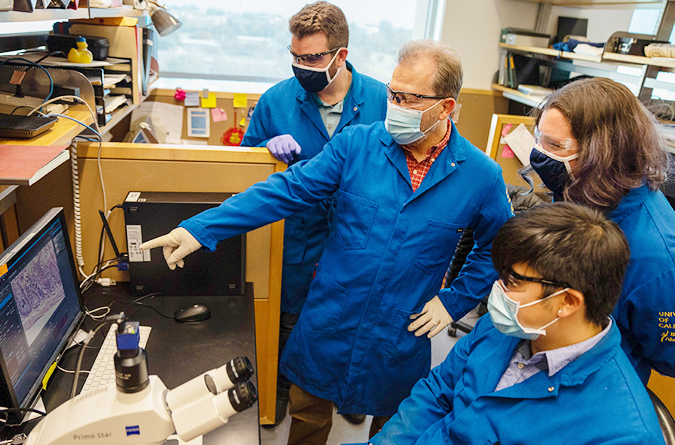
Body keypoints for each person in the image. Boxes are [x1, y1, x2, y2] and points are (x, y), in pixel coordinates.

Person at [140, 40, 513, 444]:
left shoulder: (481, 176)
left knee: (395, 428)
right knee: (307, 418)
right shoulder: (358, 145)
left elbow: (500, 248)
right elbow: (284, 190)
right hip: (329, 319)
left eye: (408, 98)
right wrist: (199, 228)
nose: (394, 105)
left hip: (399, 331)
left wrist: (454, 300)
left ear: (446, 107)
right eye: (392, 93)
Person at [371, 202, 666, 445]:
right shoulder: (505, 327)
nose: (497, 290)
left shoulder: (624, 432)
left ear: (568, 302)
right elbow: (439, 390)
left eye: (513, 282)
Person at [241, 1, 387, 427]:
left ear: (341, 55)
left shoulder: (382, 100)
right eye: (294, 56)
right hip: (297, 239)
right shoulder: (276, 101)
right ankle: (284, 389)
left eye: (312, 58)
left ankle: (351, 392)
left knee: (353, 324)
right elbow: (245, 165)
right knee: (292, 321)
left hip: (359, 240)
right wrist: (263, 151)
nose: (300, 66)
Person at [526, 77, 675, 384]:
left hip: (593, 389)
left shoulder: (653, 256)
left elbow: (668, 357)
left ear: (603, 154)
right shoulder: (577, 187)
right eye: (540, 139)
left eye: (555, 146)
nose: (540, 154)